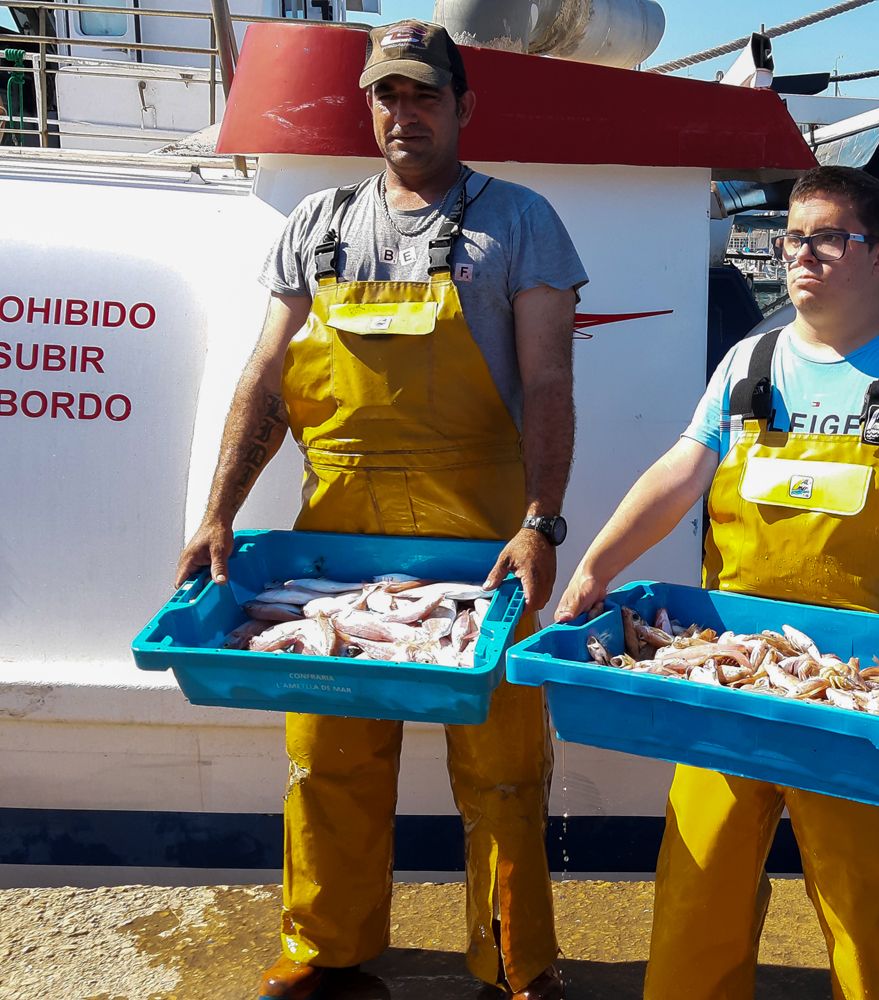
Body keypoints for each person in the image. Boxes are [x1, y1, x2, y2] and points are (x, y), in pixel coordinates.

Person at [174, 21, 586, 1000]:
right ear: (369, 106)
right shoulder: (316, 223)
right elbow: (266, 383)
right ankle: (329, 951)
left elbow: (549, 382)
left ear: (462, 105)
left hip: (480, 539)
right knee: (329, 761)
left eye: (424, 95)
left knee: (501, 769)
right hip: (339, 539)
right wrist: (217, 512)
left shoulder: (522, 222)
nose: (404, 113)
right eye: (386, 96)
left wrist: (542, 519)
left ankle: (513, 959)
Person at [555, 165, 879, 999]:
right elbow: (680, 470)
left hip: (865, 689)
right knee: (699, 890)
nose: (802, 255)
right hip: (730, 676)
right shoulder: (748, 360)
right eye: (793, 237)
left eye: (827, 238)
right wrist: (596, 565)